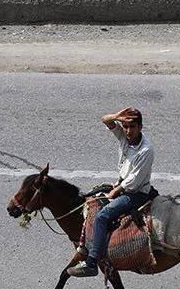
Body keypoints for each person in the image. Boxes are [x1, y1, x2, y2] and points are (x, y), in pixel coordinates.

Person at [66, 107, 155, 277]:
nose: (128, 131)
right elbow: (105, 120)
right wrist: (117, 116)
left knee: (102, 216)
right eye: (126, 126)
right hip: (121, 184)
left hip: (135, 193)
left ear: (140, 127)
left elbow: (134, 181)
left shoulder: (146, 150)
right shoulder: (124, 137)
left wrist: (115, 191)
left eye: (133, 127)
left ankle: (92, 263)